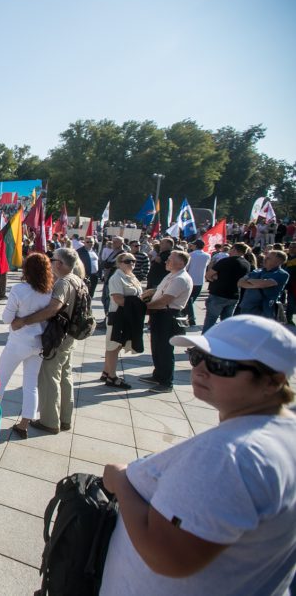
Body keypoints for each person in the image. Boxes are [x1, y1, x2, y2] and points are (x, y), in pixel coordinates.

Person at [100, 315, 296, 595]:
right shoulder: (282, 431)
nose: (201, 370)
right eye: (196, 357)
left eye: (221, 365)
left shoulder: (230, 454)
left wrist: (122, 482)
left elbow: (168, 556)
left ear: (272, 382)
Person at [11, 247, 86, 435]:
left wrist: (24, 321)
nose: (51, 262)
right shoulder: (78, 280)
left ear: (59, 263)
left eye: (53, 260)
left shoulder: (63, 283)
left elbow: (53, 309)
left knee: (49, 376)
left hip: (59, 337)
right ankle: (65, 418)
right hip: (70, 336)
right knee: (65, 375)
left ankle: (50, 421)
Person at [0, 254, 53, 438]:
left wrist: (18, 319)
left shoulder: (19, 290)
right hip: (38, 343)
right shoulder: (49, 291)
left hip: (18, 342)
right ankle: (24, 423)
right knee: (31, 385)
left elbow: (6, 318)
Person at [139, 251, 194, 393]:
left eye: (170, 259)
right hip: (160, 315)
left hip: (168, 316)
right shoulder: (172, 275)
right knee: (157, 346)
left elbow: (165, 300)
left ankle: (166, 382)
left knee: (165, 350)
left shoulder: (180, 278)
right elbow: (159, 291)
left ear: (181, 263)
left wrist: (143, 307)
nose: (166, 261)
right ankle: (158, 375)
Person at [104, 253, 145, 388]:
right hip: (117, 315)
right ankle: (112, 376)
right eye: (128, 261)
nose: (132, 264)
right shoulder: (117, 278)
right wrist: (139, 303)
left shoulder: (131, 277)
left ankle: (106, 371)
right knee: (113, 345)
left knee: (117, 344)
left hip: (127, 314)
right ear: (119, 263)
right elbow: (118, 299)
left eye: (133, 261)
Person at [203, 242, 251, 332]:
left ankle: (203, 343)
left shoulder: (225, 261)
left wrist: (215, 278)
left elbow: (208, 275)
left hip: (218, 294)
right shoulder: (247, 264)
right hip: (234, 295)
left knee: (210, 321)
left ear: (234, 250)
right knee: (227, 322)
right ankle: (225, 341)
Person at [237, 249, 289, 319]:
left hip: (263, 309)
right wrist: (257, 283)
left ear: (278, 262)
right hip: (247, 307)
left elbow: (265, 284)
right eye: (265, 257)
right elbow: (240, 283)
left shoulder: (282, 274)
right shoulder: (257, 271)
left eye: (268, 258)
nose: (264, 259)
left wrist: (249, 280)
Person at [183, 239, 210, 326]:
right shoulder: (207, 255)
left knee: (189, 301)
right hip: (200, 280)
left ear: (195, 246)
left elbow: (186, 267)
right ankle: (185, 316)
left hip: (191, 279)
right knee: (191, 300)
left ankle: (191, 318)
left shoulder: (191, 255)